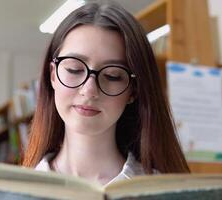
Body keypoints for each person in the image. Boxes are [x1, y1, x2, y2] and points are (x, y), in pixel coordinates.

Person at [22, 1, 190, 185]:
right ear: (53, 75)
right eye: (74, 70)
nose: (89, 90)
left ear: (133, 90)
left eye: (112, 76)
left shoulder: (162, 191)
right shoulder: (20, 190)